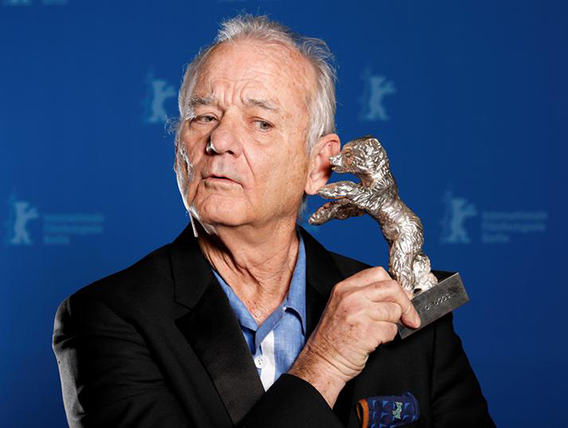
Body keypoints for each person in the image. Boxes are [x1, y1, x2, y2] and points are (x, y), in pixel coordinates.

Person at [52, 14, 495, 428]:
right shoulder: (106, 317)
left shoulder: (403, 312)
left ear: (318, 166)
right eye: (204, 117)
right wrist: (325, 362)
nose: (219, 140)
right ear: (178, 151)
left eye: (261, 122)